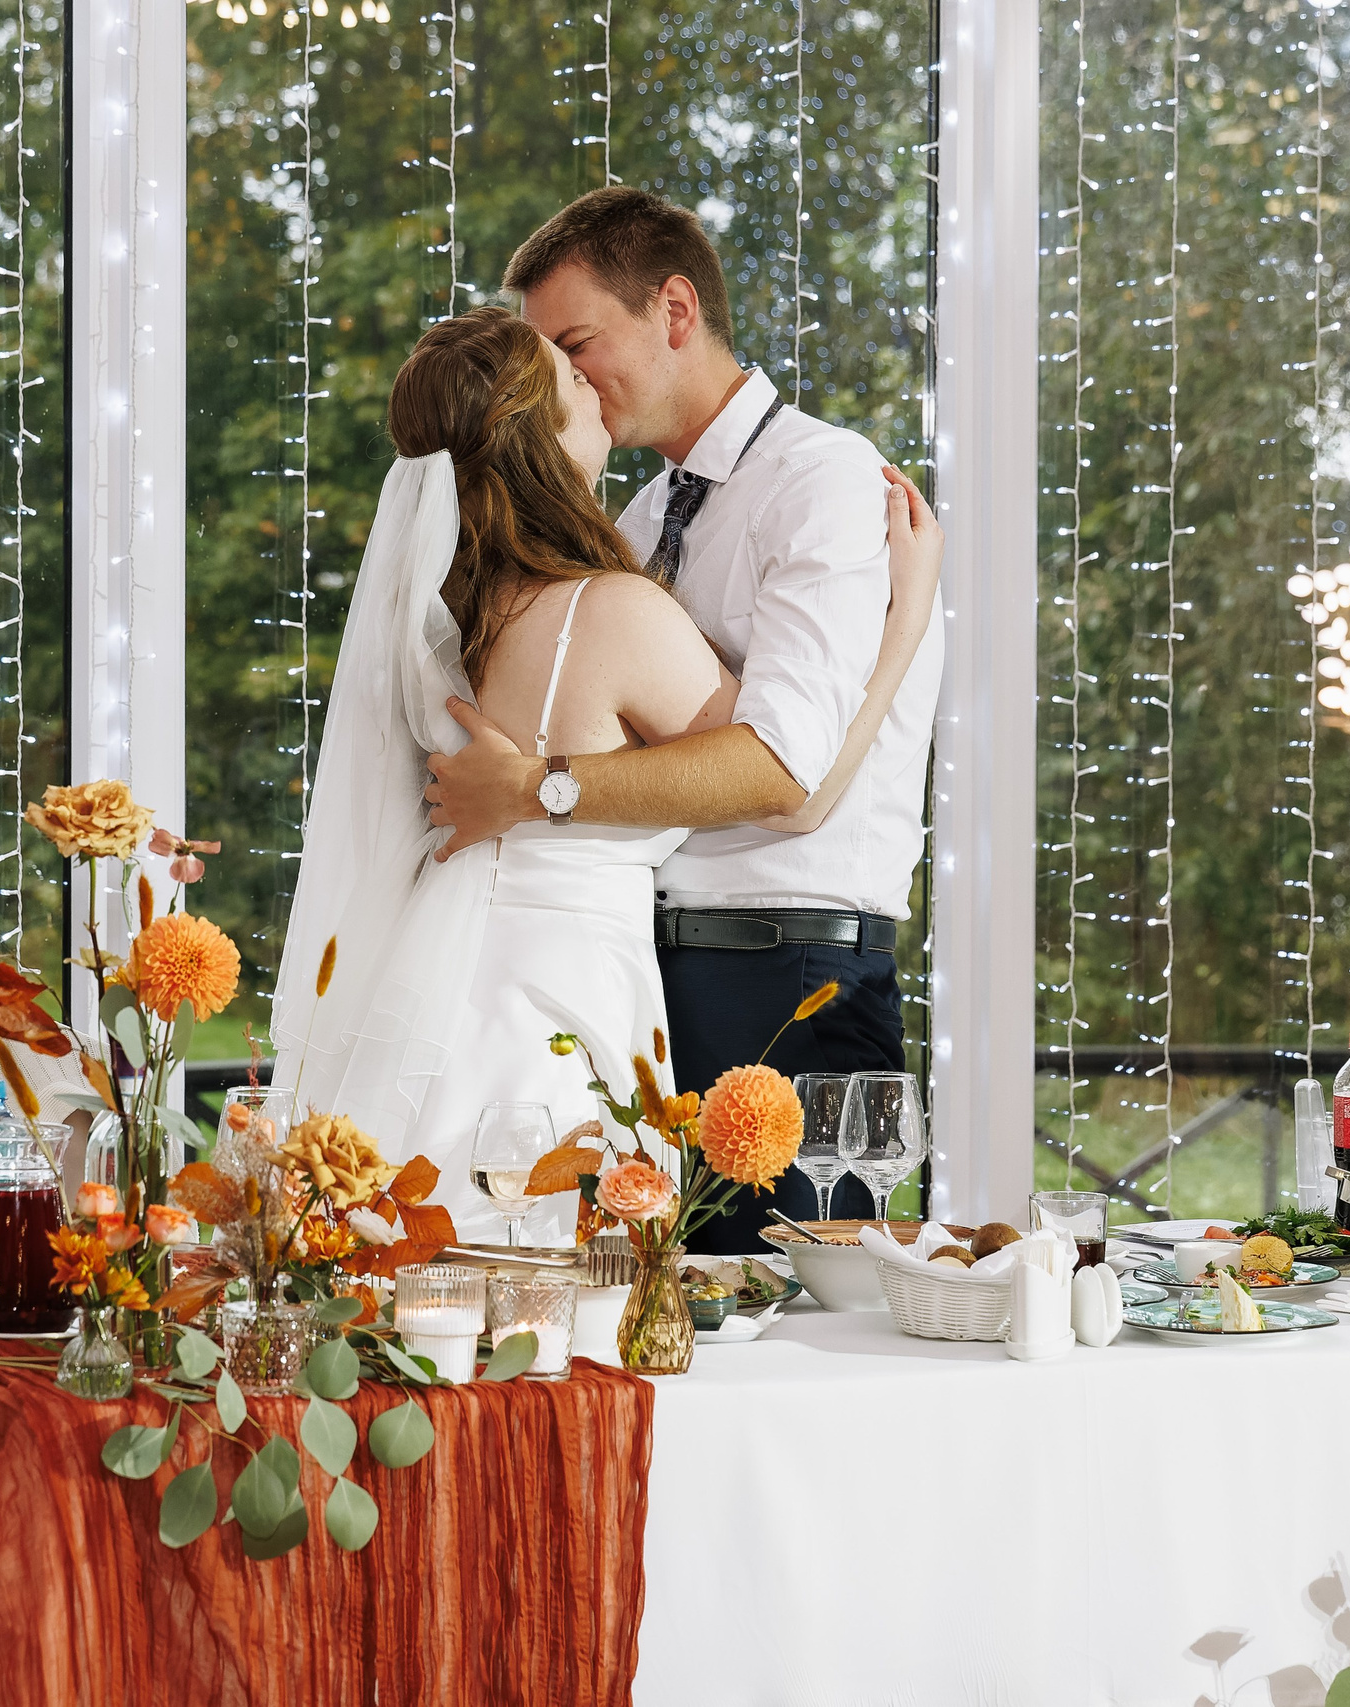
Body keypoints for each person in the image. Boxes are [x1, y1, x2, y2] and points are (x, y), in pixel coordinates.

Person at [268, 306, 939, 1231]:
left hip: (443, 978)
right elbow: (796, 788)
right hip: (568, 986)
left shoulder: (439, 627)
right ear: (537, 437)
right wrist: (907, 622)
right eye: (571, 378)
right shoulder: (613, 611)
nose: (595, 389)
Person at [422, 188, 945, 1252]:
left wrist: (535, 787)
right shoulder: (638, 515)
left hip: (790, 977)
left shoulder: (820, 481)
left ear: (673, 310)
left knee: (795, 1319)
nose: (568, 383)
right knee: (669, 1313)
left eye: (577, 347)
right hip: (653, 978)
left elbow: (783, 781)